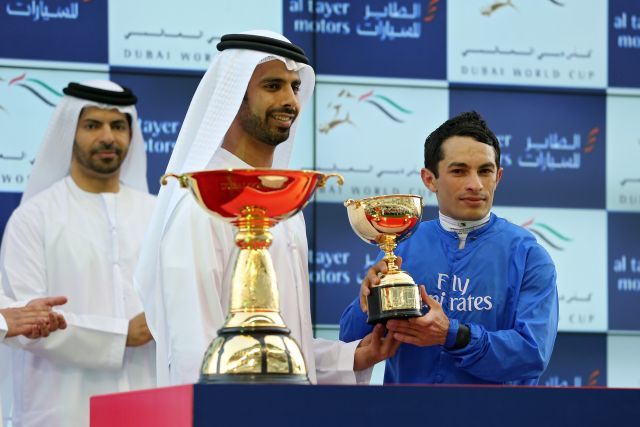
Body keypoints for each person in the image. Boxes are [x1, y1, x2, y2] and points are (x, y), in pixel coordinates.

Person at [135, 29, 399, 387]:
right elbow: (193, 349)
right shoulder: (204, 200)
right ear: (232, 96)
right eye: (273, 86)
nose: (290, 100)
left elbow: (286, 346)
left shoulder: (284, 202)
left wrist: (355, 356)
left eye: (294, 86)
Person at [339, 111, 558, 385]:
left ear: (498, 176)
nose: (475, 185)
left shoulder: (528, 255)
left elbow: (531, 354)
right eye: (459, 170)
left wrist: (453, 335)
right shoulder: (403, 244)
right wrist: (370, 299)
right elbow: (349, 340)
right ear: (429, 179)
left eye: (485, 171)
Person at [0, 80, 156, 426]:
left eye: (118, 126)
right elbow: (24, 321)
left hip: (151, 404)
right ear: (70, 131)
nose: (107, 137)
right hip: (63, 408)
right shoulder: (34, 217)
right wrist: (120, 335)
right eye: (92, 125)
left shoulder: (156, 216)